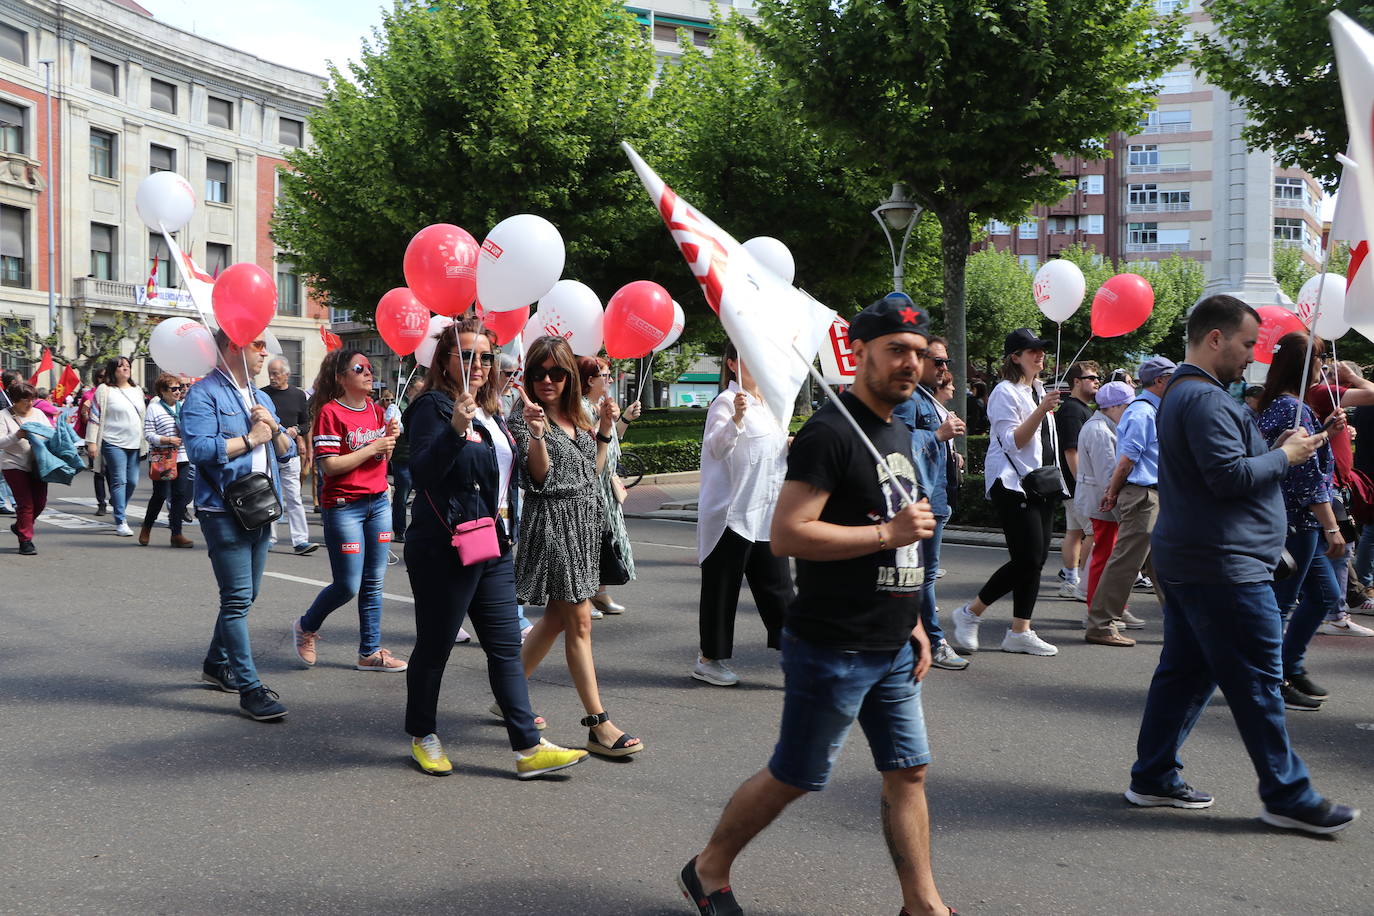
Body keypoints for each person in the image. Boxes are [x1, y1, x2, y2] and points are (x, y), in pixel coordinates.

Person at [678, 296, 951, 916]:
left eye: (917, 353)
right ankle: (707, 869)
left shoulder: (898, 430)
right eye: (895, 351)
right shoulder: (831, 432)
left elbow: (890, 528)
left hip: (891, 644)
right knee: (796, 775)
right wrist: (889, 536)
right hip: (834, 645)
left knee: (908, 771)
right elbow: (789, 534)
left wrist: (911, 618)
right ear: (859, 354)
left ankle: (923, 905)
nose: (910, 364)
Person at [1128, 294, 1359, 835]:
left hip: (1200, 559)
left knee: (1185, 673)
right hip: (1223, 566)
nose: (1251, 356)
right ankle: (1287, 795)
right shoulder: (1204, 399)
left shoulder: (1190, 394)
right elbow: (1228, 478)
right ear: (1215, 338)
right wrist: (1286, 456)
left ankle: (1154, 774)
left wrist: (1274, 447)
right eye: (1246, 343)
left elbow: (1226, 465)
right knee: (1257, 680)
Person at [403, 321, 588, 779]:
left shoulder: (494, 411)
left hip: (494, 542)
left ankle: (527, 748)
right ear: (444, 360)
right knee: (436, 645)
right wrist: (453, 429)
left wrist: (537, 434)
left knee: (506, 649)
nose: (479, 366)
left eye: (485, 357)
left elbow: (515, 477)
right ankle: (422, 734)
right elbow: (421, 473)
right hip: (445, 546)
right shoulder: (432, 406)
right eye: (467, 356)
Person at [510, 335, 644, 759]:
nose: (547, 380)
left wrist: (604, 431)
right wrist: (536, 435)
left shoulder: (576, 417)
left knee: (555, 619)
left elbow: (593, 472)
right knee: (580, 621)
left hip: (584, 526)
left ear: (569, 376)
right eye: (538, 373)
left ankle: (507, 695)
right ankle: (598, 725)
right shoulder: (524, 418)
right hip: (552, 526)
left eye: (556, 372)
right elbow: (541, 479)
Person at [182, 331, 297, 721]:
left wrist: (275, 429)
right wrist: (251, 438)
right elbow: (198, 449)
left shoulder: (261, 397)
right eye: (258, 345)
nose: (266, 352)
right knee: (236, 599)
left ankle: (216, 663)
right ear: (234, 346)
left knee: (246, 596)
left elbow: (288, 452)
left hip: (261, 507)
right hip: (223, 510)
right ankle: (250, 689)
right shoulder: (205, 394)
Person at [950, 327, 1064, 657]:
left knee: (1036, 560)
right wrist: (1041, 410)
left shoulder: (1038, 389)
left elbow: (1046, 445)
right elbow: (1013, 441)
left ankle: (1020, 631)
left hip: (1041, 483)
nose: (1040, 354)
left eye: (1041, 349)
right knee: (1027, 558)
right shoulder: (1005, 392)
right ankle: (970, 613)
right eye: (1032, 351)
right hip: (1012, 484)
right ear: (1015, 357)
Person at [291, 349, 408, 673]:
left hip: (378, 504)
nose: (368, 372)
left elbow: (376, 459)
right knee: (348, 584)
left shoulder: (375, 410)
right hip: (344, 509)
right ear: (342, 378)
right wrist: (374, 447)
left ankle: (369, 652)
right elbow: (330, 466)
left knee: (374, 582)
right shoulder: (330, 412)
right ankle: (306, 626)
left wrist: (388, 441)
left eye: (370, 367)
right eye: (360, 368)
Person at [1254, 333, 1349, 711]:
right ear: (1303, 364)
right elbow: (1306, 477)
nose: (1322, 368)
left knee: (1324, 595)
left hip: (1293, 520)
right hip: (1297, 522)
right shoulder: (1293, 409)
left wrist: (1327, 432)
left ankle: (1287, 668)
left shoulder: (1283, 406)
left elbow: (1297, 454)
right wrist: (1332, 526)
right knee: (1280, 605)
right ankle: (1270, 681)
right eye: (1319, 360)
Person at [693, 341, 795, 686]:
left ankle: (799, 657)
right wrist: (736, 419)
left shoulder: (769, 406)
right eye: (747, 358)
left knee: (779, 590)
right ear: (733, 364)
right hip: (731, 514)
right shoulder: (725, 402)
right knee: (722, 590)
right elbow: (717, 448)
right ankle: (708, 659)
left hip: (766, 513)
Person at [1085, 357, 1175, 643]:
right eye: (1173, 377)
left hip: (1150, 495)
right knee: (1126, 563)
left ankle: (1181, 624)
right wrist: (1112, 492)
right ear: (1160, 380)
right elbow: (1126, 460)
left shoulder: (1150, 410)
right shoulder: (1143, 412)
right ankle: (1100, 624)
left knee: (1162, 565)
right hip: (1143, 496)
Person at [894, 334, 968, 671]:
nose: (943, 368)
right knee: (921, 576)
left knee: (920, 574)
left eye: (946, 362)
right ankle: (934, 640)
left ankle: (910, 638)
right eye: (937, 361)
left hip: (935, 498)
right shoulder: (910, 399)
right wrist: (938, 436)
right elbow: (898, 442)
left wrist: (950, 453)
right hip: (922, 500)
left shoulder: (926, 398)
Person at [1303, 358, 1374, 635]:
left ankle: (1337, 610)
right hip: (1328, 486)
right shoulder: (1322, 392)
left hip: (1335, 485)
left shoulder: (1328, 397)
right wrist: (1353, 378)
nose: (1330, 371)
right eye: (1325, 366)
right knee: (1339, 549)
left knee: (1330, 551)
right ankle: (1337, 613)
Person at [577, 354, 641, 617]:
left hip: (607, 485)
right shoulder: (581, 408)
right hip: (592, 484)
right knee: (590, 539)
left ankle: (599, 592)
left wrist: (623, 419)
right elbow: (593, 446)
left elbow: (612, 440)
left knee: (605, 539)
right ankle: (582, 595)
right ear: (589, 380)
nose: (610, 380)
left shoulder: (601, 404)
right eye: (604, 375)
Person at [1070, 381, 1133, 641]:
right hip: (1103, 501)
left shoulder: (1103, 426)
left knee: (1107, 557)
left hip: (1103, 500)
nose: (1130, 411)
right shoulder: (1099, 430)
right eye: (1127, 405)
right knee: (1105, 558)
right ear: (1114, 406)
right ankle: (1096, 612)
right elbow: (1107, 472)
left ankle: (1110, 609)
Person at [261, 356, 319, 556]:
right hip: (268, 453)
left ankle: (301, 540)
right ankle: (269, 538)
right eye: (270, 373)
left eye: (276, 373)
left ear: (287, 374)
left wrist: (296, 430)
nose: (272, 377)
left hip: (290, 454)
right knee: (269, 497)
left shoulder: (298, 395)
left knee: (294, 497)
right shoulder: (262, 394)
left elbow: (306, 424)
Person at [86, 356, 148, 537]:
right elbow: (94, 416)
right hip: (112, 441)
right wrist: (91, 442)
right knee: (119, 480)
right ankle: (121, 520)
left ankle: (118, 503)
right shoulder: (104, 390)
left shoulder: (137, 390)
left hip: (135, 442)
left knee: (133, 481)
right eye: (121, 367)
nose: (125, 369)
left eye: (127, 366)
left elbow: (143, 416)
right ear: (113, 370)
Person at [1055, 362, 1101, 600]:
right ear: (1076, 381)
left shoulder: (1079, 408)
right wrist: (1082, 484)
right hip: (1078, 485)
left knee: (1074, 532)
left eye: (1097, 378)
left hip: (1074, 485)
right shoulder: (1073, 410)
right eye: (1092, 377)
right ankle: (1083, 583)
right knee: (1094, 532)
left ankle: (1072, 580)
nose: (1097, 381)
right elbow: (1071, 451)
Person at [140, 373, 194, 548]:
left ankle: (176, 533)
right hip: (162, 457)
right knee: (161, 495)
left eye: (180, 388)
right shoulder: (154, 408)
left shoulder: (184, 407)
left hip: (183, 456)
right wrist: (167, 440)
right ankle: (147, 527)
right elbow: (148, 434)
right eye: (174, 389)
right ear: (163, 391)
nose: (179, 392)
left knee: (180, 496)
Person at [0, 381, 53, 555]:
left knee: (40, 503)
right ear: (14, 400)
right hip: (13, 464)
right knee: (25, 504)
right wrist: (17, 436)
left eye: (32, 399)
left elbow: (50, 433)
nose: (29, 403)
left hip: (38, 464)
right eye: (25, 400)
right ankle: (26, 540)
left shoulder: (38, 413)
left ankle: (20, 525)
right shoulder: (4, 415)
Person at [390, 377, 424, 543]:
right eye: (418, 390)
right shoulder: (396, 406)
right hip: (402, 458)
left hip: (419, 458)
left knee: (422, 497)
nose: (420, 393)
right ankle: (399, 530)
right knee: (402, 496)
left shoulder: (423, 406)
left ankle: (417, 531)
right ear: (409, 390)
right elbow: (397, 427)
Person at [75, 367, 107, 515]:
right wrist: (87, 413)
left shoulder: (115, 392)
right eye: (100, 377)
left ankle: (117, 497)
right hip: (95, 438)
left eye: (106, 376)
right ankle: (101, 503)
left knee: (116, 473)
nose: (104, 379)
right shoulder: (89, 395)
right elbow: (84, 417)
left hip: (115, 438)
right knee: (99, 472)